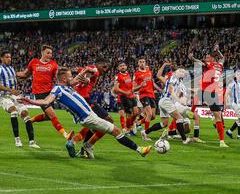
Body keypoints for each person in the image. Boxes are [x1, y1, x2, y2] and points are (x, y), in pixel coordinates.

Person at [19, 67, 152, 159]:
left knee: (107, 126)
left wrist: (86, 72)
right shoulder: (57, 89)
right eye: (70, 76)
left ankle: (82, 145)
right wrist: (29, 100)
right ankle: (140, 150)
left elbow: (78, 78)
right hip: (87, 117)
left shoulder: (67, 86)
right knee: (116, 130)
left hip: (89, 116)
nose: (72, 78)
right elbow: (45, 101)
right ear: (64, 78)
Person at [16, 45, 68, 139]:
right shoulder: (34, 62)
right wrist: (13, 73)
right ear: (42, 53)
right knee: (52, 115)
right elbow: (25, 74)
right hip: (39, 93)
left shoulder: (53, 64)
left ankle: (30, 120)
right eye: (48, 53)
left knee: (48, 116)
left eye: (51, 53)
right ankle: (66, 135)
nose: (50, 55)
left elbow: (57, 78)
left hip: (50, 94)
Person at [71, 59, 115, 157]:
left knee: (93, 125)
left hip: (80, 99)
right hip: (84, 100)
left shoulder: (89, 70)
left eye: (107, 68)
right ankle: (88, 145)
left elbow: (81, 70)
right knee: (109, 121)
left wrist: (84, 75)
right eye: (104, 66)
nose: (106, 69)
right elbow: (91, 71)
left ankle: (76, 143)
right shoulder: (95, 69)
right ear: (98, 64)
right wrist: (87, 78)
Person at [188, 43, 229, 148]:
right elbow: (222, 58)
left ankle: (189, 115)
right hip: (211, 93)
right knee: (218, 118)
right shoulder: (220, 65)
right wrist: (218, 50)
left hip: (204, 91)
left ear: (212, 58)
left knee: (194, 105)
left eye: (207, 57)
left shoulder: (209, 64)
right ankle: (222, 142)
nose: (206, 59)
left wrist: (192, 58)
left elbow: (199, 62)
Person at [0, 50, 40, 148]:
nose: (9, 59)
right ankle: (17, 139)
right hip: (4, 97)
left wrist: (27, 76)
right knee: (13, 111)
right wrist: (10, 90)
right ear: (1, 58)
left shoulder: (12, 69)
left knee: (25, 114)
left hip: (15, 96)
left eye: (10, 57)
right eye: (6, 57)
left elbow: (15, 80)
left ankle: (32, 142)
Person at [133, 57, 157, 141]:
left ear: (145, 63)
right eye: (140, 62)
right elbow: (133, 88)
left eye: (143, 62)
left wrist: (159, 89)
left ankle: (137, 123)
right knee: (149, 114)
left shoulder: (149, 72)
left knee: (153, 116)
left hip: (152, 95)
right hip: (144, 95)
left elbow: (152, 83)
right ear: (138, 64)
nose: (142, 63)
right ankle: (145, 135)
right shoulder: (137, 74)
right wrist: (140, 86)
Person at [113, 62, 140, 136]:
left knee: (136, 112)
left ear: (126, 66)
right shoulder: (118, 76)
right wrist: (125, 92)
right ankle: (127, 129)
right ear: (118, 68)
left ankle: (132, 124)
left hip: (132, 96)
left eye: (124, 65)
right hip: (124, 97)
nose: (122, 67)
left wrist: (134, 91)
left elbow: (131, 87)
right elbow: (116, 89)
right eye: (121, 66)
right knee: (127, 114)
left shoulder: (129, 74)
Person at [226, 70, 240, 140]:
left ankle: (229, 132)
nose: (239, 76)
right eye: (238, 74)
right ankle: (239, 136)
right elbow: (227, 93)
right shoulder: (233, 83)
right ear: (235, 76)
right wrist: (226, 103)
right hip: (235, 104)